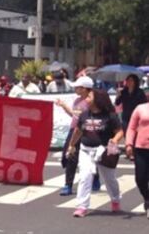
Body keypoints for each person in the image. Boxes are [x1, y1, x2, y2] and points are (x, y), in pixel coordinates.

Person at [68, 89, 125, 217]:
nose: (86, 99)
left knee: (109, 179)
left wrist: (115, 140)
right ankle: (82, 206)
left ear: (98, 99)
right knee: (85, 176)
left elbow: (120, 131)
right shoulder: (84, 114)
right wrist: (71, 145)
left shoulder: (110, 116)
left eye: (89, 96)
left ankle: (115, 199)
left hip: (103, 151)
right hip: (86, 150)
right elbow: (78, 131)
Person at [55, 76, 95, 196]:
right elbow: (74, 115)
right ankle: (68, 185)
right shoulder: (77, 100)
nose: (75, 89)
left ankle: (96, 178)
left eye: (78, 87)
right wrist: (63, 106)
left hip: (87, 131)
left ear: (84, 88)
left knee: (90, 157)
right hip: (74, 130)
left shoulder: (91, 101)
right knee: (70, 155)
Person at [126, 100, 149, 218]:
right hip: (141, 148)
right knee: (140, 178)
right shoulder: (140, 108)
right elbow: (131, 127)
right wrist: (129, 144)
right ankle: (147, 198)